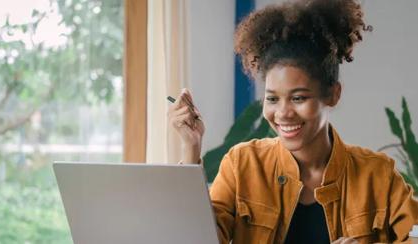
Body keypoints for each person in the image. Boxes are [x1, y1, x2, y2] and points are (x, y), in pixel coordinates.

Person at [167, 0, 418, 243]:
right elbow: (194, 239)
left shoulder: (378, 175)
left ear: (333, 94)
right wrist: (191, 148)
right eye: (273, 99)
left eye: (298, 98)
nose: (283, 113)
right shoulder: (242, 165)